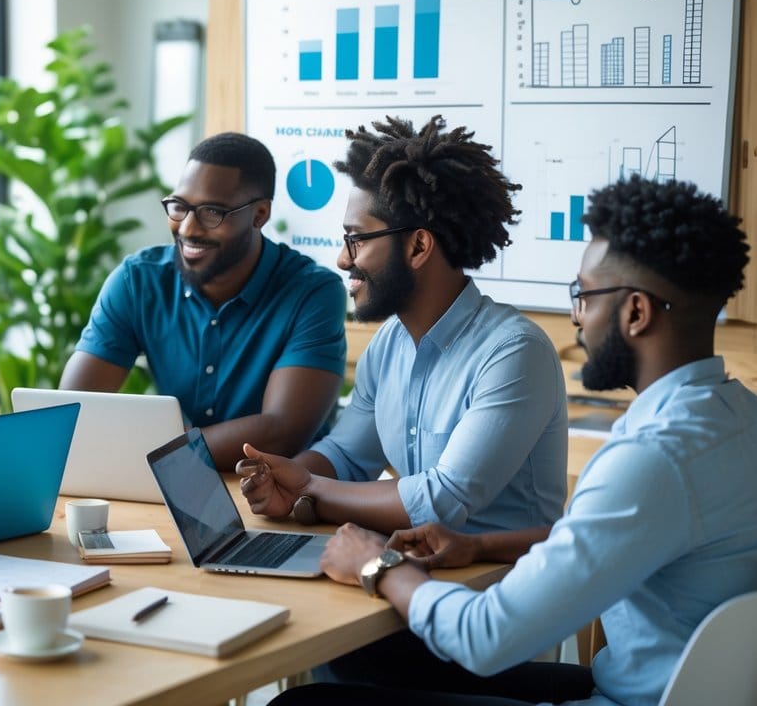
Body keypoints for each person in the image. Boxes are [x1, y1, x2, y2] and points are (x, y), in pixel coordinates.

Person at [272, 175, 757, 706]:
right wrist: (480, 546)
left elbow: (486, 637)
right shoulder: (734, 418)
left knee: (305, 703)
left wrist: (376, 566)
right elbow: (605, 537)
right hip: (651, 686)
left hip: (623, 699)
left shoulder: (651, 458)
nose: (576, 318)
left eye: (584, 296)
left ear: (635, 313)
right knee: (358, 660)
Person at [239, 114, 567, 536]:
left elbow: (440, 501)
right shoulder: (390, 343)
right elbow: (346, 456)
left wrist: (309, 488)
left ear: (417, 246)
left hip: (500, 584)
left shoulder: (516, 353)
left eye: (356, 239)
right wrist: (282, 481)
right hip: (413, 567)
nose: (343, 259)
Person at [59, 132, 348, 470]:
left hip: (282, 495)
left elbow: (280, 432)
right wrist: (163, 457)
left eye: (212, 212)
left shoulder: (313, 292)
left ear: (259, 215)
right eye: (179, 207)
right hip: (179, 485)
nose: (188, 228)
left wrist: (157, 455)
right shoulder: (138, 280)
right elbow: (74, 409)